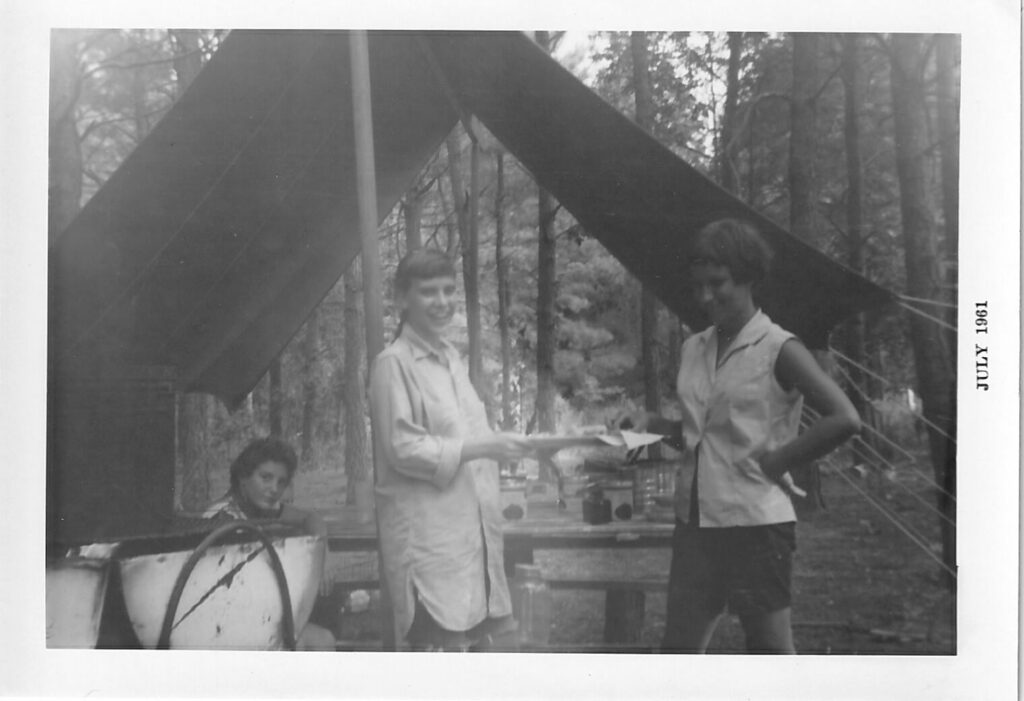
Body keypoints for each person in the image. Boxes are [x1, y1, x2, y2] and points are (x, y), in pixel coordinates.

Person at [616, 218, 861, 654]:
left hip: (756, 528)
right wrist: (651, 425)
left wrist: (778, 461)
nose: (705, 297)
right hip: (695, 526)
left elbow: (844, 417)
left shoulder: (779, 348)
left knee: (769, 654)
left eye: (718, 283)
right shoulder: (695, 347)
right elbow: (698, 436)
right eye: (697, 286)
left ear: (748, 277)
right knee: (678, 653)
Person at [368, 248, 534, 651]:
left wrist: (519, 447)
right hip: (430, 544)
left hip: (470, 539)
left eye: (448, 290)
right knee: (439, 658)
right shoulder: (393, 364)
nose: (442, 302)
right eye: (429, 292)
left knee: (479, 659)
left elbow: (470, 438)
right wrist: (483, 446)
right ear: (401, 298)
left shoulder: (450, 359)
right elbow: (402, 448)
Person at [204, 436, 336, 651]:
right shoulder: (221, 518)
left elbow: (311, 518)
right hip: (220, 624)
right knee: (306, 642)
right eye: (266, 478)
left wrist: (325, 555)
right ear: (243, 478)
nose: (274, 488)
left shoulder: (263, 508)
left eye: (281, 482)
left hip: (255, 612)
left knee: (324, 638)